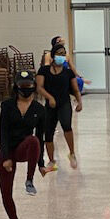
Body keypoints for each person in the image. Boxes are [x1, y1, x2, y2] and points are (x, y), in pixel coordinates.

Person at [0, 71, 51, 219]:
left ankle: (29, 180)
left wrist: (41, 164)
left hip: (24, 148)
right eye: (22, 86)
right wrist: (6, 157)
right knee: (5, 193)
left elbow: (41, 138)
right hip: (7, 151)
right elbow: (3, 133)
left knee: (34, 140)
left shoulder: (39, 110)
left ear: (34, 87)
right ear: (16, 87)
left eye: (29, 86)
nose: (26, 89)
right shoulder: (7, 106)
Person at [36, 42, 83, 170]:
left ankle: (72, 153)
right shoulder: (44, 70)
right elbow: (39, 87)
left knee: (67, 126)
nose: (61, 57)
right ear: (53, 55)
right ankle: (51, 161)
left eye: (63, 54)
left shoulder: (68, 73)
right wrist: (50, 97)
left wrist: (79, 102)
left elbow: (75, 89)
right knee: (49, 133)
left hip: (64, 103)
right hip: (50, 106)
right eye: (59, 54)